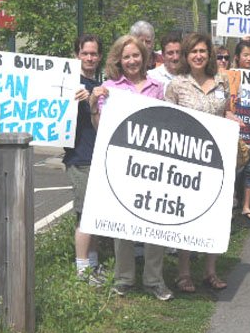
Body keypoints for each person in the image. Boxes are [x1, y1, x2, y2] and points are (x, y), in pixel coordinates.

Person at [89, 35, 173, 301]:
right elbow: (100, 128)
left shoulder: (157, 88)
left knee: (154, 221)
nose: (132, 61)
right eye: (126, 57)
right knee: (122, 222)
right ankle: (124, 278)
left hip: (152, 163)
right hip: (122, 163)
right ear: (119, 60)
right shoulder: (109, 87)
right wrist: (94, 104)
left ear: (144, 58)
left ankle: (154, 279)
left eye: (136, 55)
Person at [165, 32, 233, 292]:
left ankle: (210, 271)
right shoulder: (177, 85)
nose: (198, 55)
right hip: (187, 160)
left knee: (214, 214)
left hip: (216, 159)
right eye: (193, 51)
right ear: (186, 55)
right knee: (188, 215)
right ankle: (184, 273)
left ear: (209, 55)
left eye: (203, 51)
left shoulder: (221, 82)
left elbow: (225, 110)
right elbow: (167, 119)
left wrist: (232, 120)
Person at [64, 34, 104, 285]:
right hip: (79, 157)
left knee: (96, 214)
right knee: (85, 215)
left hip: (98, 157)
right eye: (85, 53)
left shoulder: (100, 85)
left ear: (99, 57)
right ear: (77, 54)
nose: (89, 58)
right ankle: (82, 270)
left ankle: (93, 264)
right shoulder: (68, 83)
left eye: (93, 53)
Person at [232, 40, 250, 220]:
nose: (249, 58)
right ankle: (233, 202)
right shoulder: (230, 76)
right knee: (234, 169)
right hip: (235, 129)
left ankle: (246, 206)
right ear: (237, 57)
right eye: (246, 55)